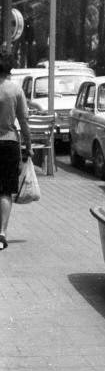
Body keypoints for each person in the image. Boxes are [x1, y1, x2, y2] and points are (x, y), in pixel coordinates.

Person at [0, 49, 33, 249]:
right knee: (5, 191)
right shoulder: (15, 90)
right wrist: (29, 146)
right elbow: (24, 122)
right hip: (9, 143)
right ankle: (1, 233)